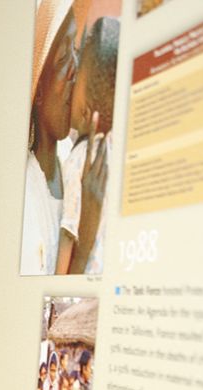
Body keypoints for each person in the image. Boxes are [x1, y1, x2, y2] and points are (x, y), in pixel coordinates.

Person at [55, 16, 119, 275]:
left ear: (86, 112)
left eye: (78, 71)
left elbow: (61, 273)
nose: (71, 75)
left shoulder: (79, 162)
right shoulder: (115, 152)